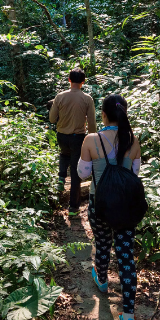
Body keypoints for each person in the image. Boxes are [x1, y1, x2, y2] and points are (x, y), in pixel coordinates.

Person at [77, 94, 142, 320]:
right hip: (126, 207)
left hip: (99, 205)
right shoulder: (133, 140)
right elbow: (134, 173)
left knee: (103, 243)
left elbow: (83, 174)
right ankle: (128, 316)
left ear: (102, 115)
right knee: (126, 255)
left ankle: (102, 281)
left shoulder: (91, 140)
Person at [49, 67, 97, 216]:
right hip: (78, 138)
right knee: (76, 173)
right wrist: (92, 138)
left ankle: (61, 177)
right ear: (83, 81)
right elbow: (92, 124)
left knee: (64, 154)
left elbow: (51, 119)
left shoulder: (60, 96)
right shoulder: (87, 99)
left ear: (69, 80)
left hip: (62, 135)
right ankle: (73, 208)